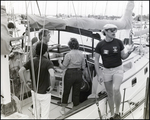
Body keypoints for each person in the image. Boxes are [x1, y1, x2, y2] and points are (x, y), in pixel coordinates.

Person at [94, 24, 135, 119]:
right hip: (106, 71)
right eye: (112, 30)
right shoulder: (100, 45)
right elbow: (96, 60)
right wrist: (99, 74)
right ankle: (112, 114)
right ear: (106, 32)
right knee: (110, 93)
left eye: (115, 30)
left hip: (118, 69)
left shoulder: (118, 42)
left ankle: (117, 112)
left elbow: (123, 57)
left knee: (116, 89)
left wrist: (129, 52)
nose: (114, 32)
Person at [19, 42, 55, 119]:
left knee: (36, 112)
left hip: (34, 92)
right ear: (46, 52)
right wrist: (52, 86)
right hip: (45, 92)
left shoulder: (32, 61)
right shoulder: (48, 62)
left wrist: (25, 82)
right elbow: (52, 75)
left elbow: (20, 71)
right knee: (45, 114)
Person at [1, 5, 25, 105]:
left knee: (14, 89)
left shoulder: (6, 35)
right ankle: (12, 102)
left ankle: (13, 101)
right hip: (8, 64)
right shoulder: (5, 33)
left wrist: (20, 38)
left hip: (10, 69)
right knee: (12, 89)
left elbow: (10, 40)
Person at [58, 38, 86, 114]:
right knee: (76, 92)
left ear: (69, 46)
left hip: (70, 74)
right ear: (77, 45)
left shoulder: (68, 55)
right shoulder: (82, 54)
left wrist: (59, 62)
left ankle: (63, 109)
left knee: (66, 91)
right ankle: (75, 108)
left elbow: (63, 67)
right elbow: (83, 67)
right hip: (78, 73)